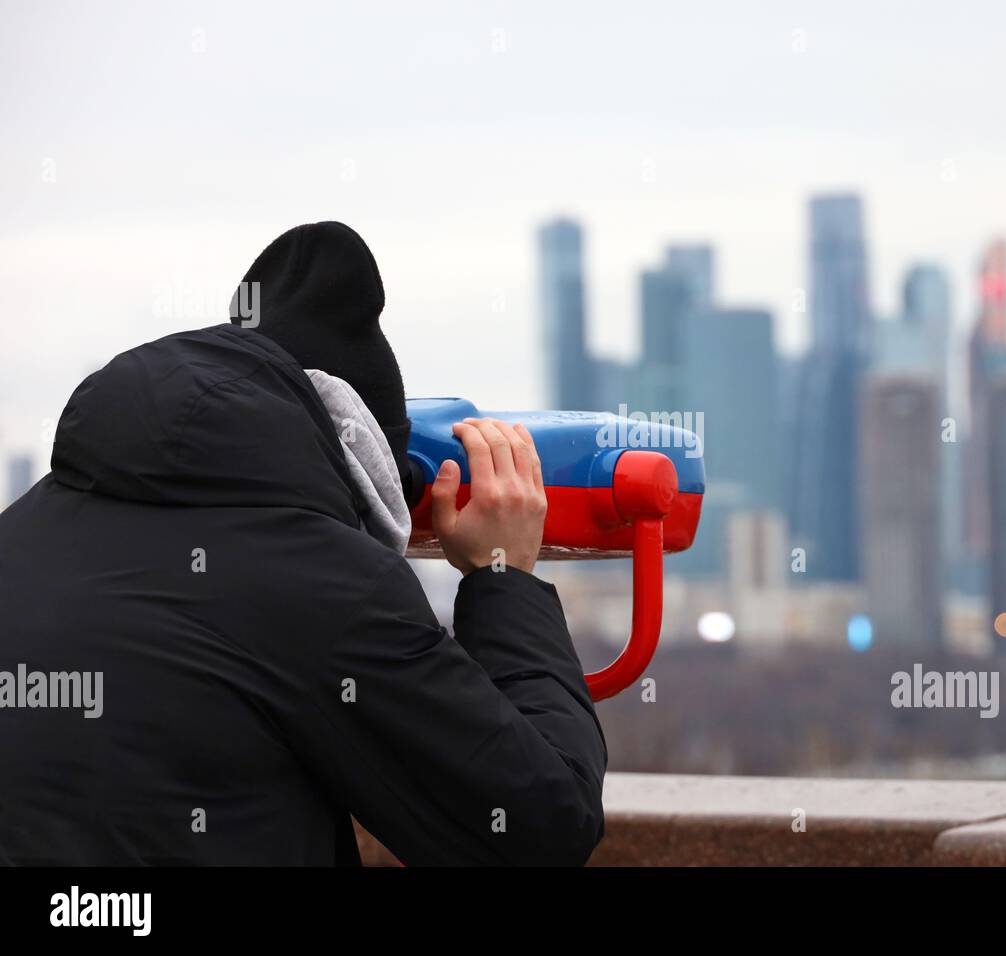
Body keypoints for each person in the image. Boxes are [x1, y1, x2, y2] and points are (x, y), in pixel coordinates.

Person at [0, 221, 607, 865]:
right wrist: (502, 576)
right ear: (361, 463)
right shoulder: (323, 583)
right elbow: (541, 825)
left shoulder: (23, 532)